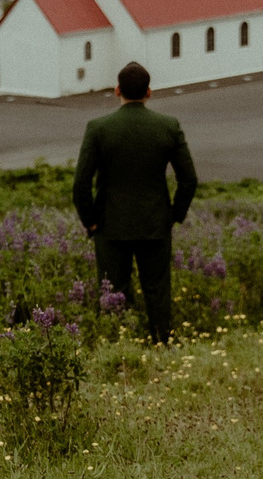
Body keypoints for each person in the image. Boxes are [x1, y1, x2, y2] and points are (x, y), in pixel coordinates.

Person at [71, 60, 197, 345]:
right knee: (157, 291)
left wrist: (91, 221)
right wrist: (174, 215)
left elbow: (81, 184)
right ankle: (162, 343)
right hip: (155, 224)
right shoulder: (168, 126)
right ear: (149, 92)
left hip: (110, 226)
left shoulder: (98, 128)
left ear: (117, 90)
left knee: (113, 291)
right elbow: (188, 179)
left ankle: (117, 348)